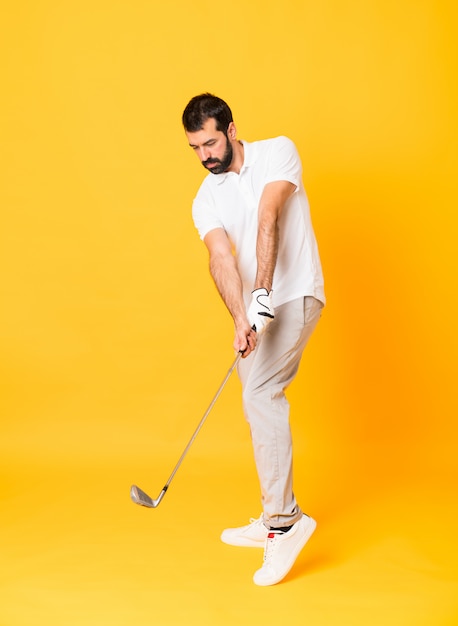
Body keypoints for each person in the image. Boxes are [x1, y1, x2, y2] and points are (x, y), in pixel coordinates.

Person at [182, 93, 325, 586]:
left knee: (260, 392)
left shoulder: (278, 152)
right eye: (196, 147)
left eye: (211, 142)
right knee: (254, 399)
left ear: (232, 130)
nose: (205, 155)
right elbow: (220, 259)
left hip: (295, 293)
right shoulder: (206, 196)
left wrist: (262, 294)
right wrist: (240, 317)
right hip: (257, 313)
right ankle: (271, 516)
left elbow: (269, 218)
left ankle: (286, 525)